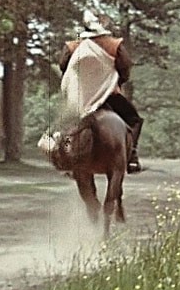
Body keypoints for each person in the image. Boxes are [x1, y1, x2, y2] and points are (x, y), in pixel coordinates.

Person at [58, 10, 143, 173]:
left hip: (80, 98)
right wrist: (118, 81)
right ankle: (131, 156)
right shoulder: (113, 44)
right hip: (108, 96)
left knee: (64, 125)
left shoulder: (73, 44)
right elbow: (125, 67)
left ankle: (66, 159)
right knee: (134, 119)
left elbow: (63, 65)